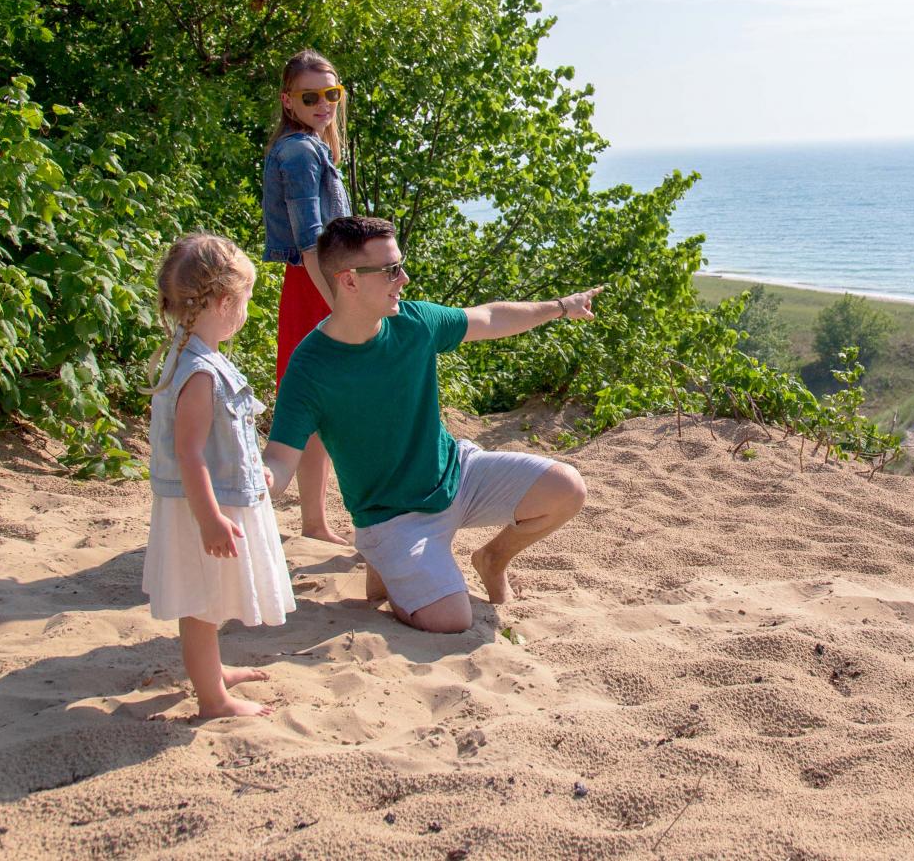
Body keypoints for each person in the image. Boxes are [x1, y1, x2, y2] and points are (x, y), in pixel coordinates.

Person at [263, 216, 598, 634]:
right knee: (451, 620)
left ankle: (491, 559)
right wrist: (253, 481)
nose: (403, 278)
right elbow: (279, 460)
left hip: (457, 473)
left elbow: (490, 317)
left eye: (399, 265)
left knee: (568, 488)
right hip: (394, 516)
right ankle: (386, 560)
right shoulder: (310, 367)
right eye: (389, 270)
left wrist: (561, 307)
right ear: (348, 281)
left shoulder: (413, 322)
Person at [141, 233, 294, 719]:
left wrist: (255, 474)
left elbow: (219, 441)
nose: (247, 312)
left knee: (209, 599)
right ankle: (214, 700)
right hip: (201, 505)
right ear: (224, 301)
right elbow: (189, 452)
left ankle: (213, 672)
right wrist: (209, 519)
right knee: (202, 605)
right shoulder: (200, 370)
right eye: (246, 300)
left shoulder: (192, 354)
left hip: (217, 495)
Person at [261, 49, 353, 545]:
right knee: (316, 411)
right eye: (310, 96)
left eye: (331, 94)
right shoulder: (299, 151)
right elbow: (310, 240)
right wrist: (341, 302)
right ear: (288, 101)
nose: (324, 104)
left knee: (314, 412)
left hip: (320, 282)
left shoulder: (314, 147)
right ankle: (249, 513)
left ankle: (314, 523)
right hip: (317, 284)